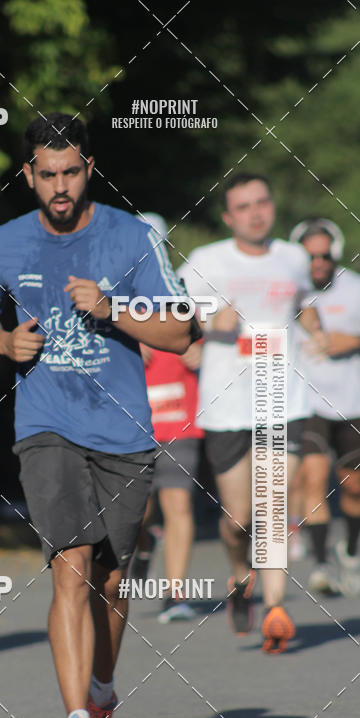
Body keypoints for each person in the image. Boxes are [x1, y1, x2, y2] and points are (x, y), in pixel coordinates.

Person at [0, 113, 196, 718]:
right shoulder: (3, 243)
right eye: (47, 174)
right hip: (46, 425)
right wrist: (5, 343)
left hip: (123, 429)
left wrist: (113, 310)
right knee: (70, 561)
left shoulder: (134, 237)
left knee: (112, 581)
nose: (60, 187)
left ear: (89, 168)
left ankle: (99, 692)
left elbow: (182, 332)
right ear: (29, 175)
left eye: (71, 172)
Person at [178, 173, 328, 654]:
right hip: (227, 401)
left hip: (283, 398)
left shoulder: (293, 257)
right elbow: (179, 320)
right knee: (239, 518)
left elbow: (302, 304)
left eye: (262, 202)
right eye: (244, 206)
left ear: (272, 206)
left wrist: (317, 331)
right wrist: (205, 323)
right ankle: (239, 575)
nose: (256, 212)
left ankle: (276, 607)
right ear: (228, 216)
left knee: (273, 508)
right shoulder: (207, 261)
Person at [130, 213, 204, 624]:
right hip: (131, 423)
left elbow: (208, 340)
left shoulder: (185, 291)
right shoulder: (114, 297)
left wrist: (200, 350)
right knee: (135, 513)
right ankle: (144, 545)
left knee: (178, 504)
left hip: (179, 419)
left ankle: (176, 594)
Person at [290, 218, 360, 596]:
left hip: (352, 403)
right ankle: (320, 565)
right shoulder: (291, 290)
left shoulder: (354, 287)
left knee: (353, 488)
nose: (317, 262)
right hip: (309, 400)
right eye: (310, 255)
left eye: (323, 254)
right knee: (312, 480)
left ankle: (350, 552)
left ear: (334, 252)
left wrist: (349, 342)